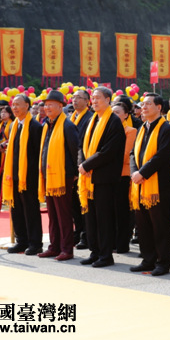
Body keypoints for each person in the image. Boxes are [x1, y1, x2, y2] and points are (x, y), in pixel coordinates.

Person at [78, 86, 126, 268]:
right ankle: (95, 251)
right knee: (90, 217)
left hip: (104, 178)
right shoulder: (92, 120)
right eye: (93, 98)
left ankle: (106, 255)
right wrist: (82, 164)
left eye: (98, 98)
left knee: (104, 218)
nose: (95, 101)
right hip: (88, 177)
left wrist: (87, 165)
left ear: (108, 100)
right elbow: (82, 146)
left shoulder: (113, 122)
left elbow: (108, 151)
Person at [130, 93, 170, 275]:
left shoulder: (166, 128)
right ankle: (148, 259)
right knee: (143, 225)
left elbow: (162, 155)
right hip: (140, 184)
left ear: (159, 107)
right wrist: (135, 171)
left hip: (158, 185)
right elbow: (134, 153)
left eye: (149, 104)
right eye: (143, 104)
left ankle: (163, 262)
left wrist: (142, 173)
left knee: (160, 225)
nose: (144, 107)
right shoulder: (142, 127)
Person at [37, 90, 79, 261]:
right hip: (48, 175)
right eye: (45, 105)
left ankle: (67, 249)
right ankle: (54, 246)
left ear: (60, 106)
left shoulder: (67, 126)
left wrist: (74, 174)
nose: (47, 108)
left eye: (50, 105)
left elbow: (75, 150)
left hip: (63, 177)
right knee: (52, 214)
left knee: (63, 214)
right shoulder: (47, 124)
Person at [4, 94, 43, 255]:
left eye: (18, 104)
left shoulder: (34, 126)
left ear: (27, 106)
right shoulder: (14, 126)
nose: (14, 108)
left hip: (29, 177)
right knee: (16, 209)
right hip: (14, 176)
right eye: (13, 105)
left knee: (31, 210)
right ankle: (22, 241)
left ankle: (35, 243)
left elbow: (37, 154)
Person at [112, 102, 137, 253]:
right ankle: (113, 241)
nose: (114, 115)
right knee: (111, 210)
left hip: (123, 174)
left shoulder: (130, 130)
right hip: (109, 175)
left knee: (122, 210)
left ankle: (122, 243)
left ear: (126, 115)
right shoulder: (107, 129)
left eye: (117, 113)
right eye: (112, 112)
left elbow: (126, 153)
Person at [70, 90, 94, 249]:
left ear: (87, 102)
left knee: (84, 204)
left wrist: (80, 166)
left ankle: (86, 235)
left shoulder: (90, 118)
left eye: (79, 98)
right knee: (73, 204)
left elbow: (83, 146)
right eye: (73, 97)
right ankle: (77, 232)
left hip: (82, 167)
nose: (75, 100)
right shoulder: (71, 118)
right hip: (70, 166)